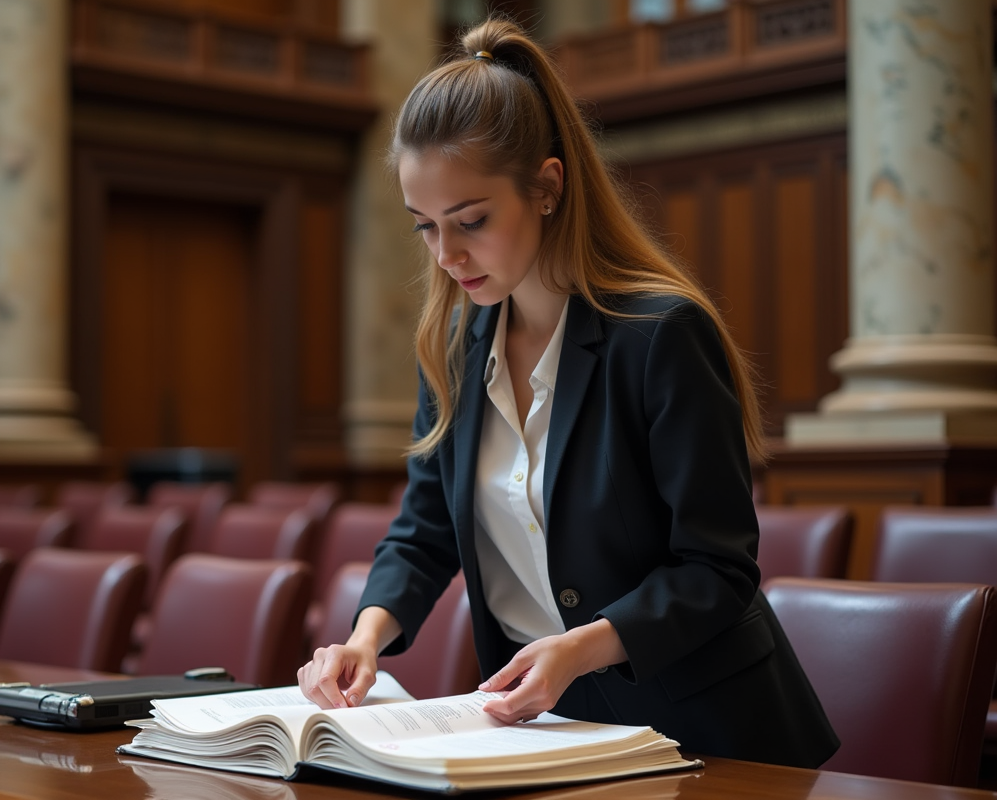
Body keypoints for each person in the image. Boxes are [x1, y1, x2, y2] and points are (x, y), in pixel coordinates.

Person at [298, 17, 839, 769]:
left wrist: (582, 648)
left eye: (472, 221)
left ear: (547, 186)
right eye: (424, 227)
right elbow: (424, 532)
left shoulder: (661, 336)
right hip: (556, 735)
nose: (447, 254)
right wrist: (364, 638)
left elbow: (717, 571)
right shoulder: (456, 350)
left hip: (715, 737)